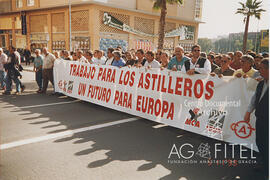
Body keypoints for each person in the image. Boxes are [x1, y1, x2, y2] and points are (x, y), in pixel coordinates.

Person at [244, 59, 269, 179]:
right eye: (259, 69)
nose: (260, 71)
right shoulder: (261, 83)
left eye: (262, 69)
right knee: (260, 141)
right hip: (261, 118)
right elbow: (254, 99)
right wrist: (248, 112)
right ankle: (264, 164)